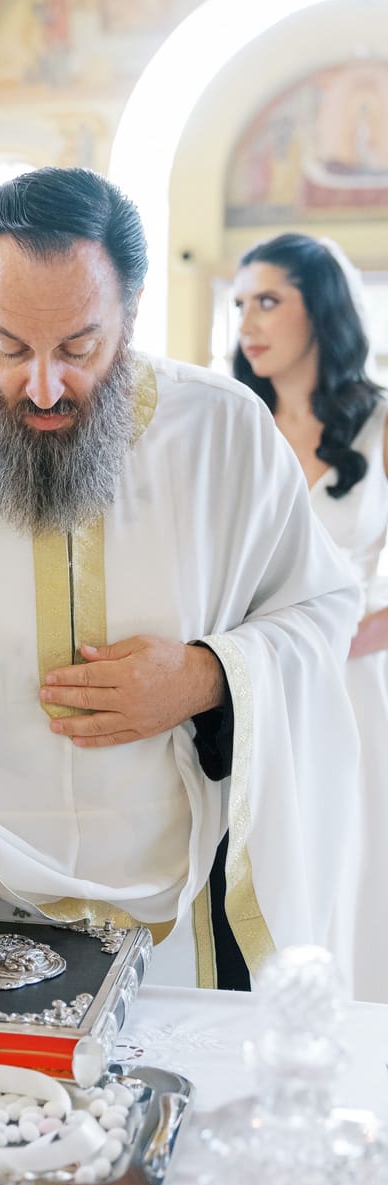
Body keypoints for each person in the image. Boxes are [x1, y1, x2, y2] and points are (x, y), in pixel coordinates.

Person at [0, 167, 360, 990]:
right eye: (8, 348)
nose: (42, 386)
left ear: (130, 314)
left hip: (183, 924)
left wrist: (206, 675)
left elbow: (322, 609)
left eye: (78, 348)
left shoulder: (227, 434)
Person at [233, 232, 388, 1002]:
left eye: (268, 301)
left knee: (349, 866)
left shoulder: (379, 424)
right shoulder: (235, 426)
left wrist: (333, 640)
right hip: (254, 686)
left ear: (320, 309)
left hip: (350, 683)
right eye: (239, 304)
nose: (247, 324)